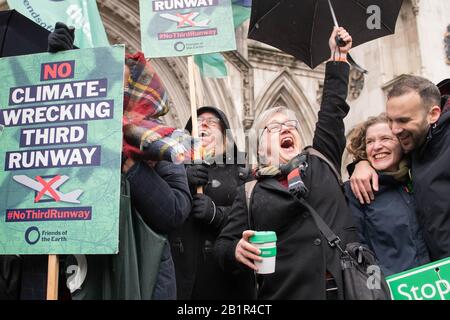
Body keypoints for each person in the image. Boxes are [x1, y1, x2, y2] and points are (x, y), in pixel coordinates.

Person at [16, 23, 192, 300]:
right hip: (73, 273)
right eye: (103, 80)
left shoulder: (158, 140)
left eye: (119, 83)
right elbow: (39, 137)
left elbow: (173, 211)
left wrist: (128, 163)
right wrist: (60, 66)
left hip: (137, 278)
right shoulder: (73, 127)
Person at [214, 27, 358, 300]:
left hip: (346, 289)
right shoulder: (250, 191)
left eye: (291, 125)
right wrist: (236, 251)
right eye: (275, 127)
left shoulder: (321, 159)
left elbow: (332, 109)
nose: (287, 129)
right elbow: (223, 247)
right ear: (258, 145)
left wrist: (338, 57)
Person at [349, 76, 450, 261]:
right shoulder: (417, 145)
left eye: (403, 120)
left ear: (433, 114)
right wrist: (361, 164)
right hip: (430, 282)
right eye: (391, 120)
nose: (395, 130)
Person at [169, 106, 255, 300]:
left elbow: (254, 217)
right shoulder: (173, 169)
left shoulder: (242, 172)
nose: (204, 123)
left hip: (227, 284)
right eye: (197, 122)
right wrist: (181, 175)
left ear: (226, 137)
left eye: (213, 122)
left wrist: (217, 214)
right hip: (181, 282)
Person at [345, 113, 430, 276]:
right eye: (370, 141)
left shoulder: (421, 176)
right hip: (393, 290)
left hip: (439, 284)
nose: (376, 147)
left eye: (385, 138)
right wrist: (377, 291)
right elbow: (358, 252)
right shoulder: (355, 190)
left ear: (402, 143)